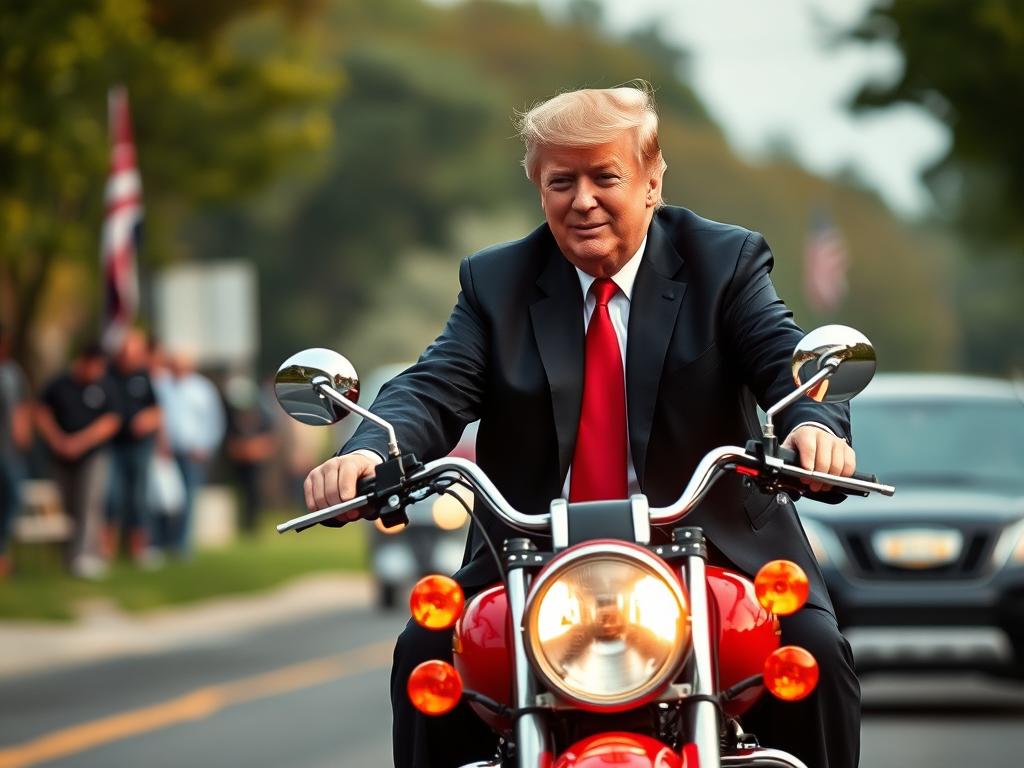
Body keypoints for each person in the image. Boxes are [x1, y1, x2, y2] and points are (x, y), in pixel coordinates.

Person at [303, 85, 860, 768]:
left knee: (815, 654)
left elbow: (787, 362)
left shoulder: (725, 263)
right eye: (561, 180)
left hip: (710, 556)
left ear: (652, 180)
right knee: (426, 654)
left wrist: (813, 424)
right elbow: (432, 385)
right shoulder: (496, 282)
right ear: (539, 188)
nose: (582, 199)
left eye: (605, 176)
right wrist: (370, 449)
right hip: (532, 563)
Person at [36, 342, 122, 578]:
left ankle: (86, 555)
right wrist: (58, 440)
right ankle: (69, 554)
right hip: (61, 455)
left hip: (93, 455)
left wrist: (81, 442)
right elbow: (41, 412)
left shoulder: (106, 386)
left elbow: (111, 421)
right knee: (69, 505)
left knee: (90, 502)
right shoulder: (59, 384)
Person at [154, 350, 225, 555]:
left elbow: (214, 421)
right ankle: (161, 542)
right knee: (165, 498)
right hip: (166, 452)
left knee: (188, 498)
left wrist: (206, 446)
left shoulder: (202, 389)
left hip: (193, 452)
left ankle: (182, 545)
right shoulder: (162, 385)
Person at [105, 328, 162, 562]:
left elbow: (157, 410)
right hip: (113, 445)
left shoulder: (143, 376)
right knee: (112, 497)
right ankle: (107, 551)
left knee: (138, 497)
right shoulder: (107, 374)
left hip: (139, 445)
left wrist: (147, 421)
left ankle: (138, 549)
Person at [223, 374, 277, 535]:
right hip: (238, 462)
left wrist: (256, 449)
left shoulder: (263, 414)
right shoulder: (231, 417)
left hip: (257, 462)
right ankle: (243, 524)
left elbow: (271, 438)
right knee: (241, 492)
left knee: (256, 492)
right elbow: (229, 440)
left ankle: (253, 525)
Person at [0, 326, 32, 579]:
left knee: (13, 498)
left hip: (8, 450)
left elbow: (21, 406)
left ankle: (2, 553)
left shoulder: (12, 373)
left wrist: (24, 433)